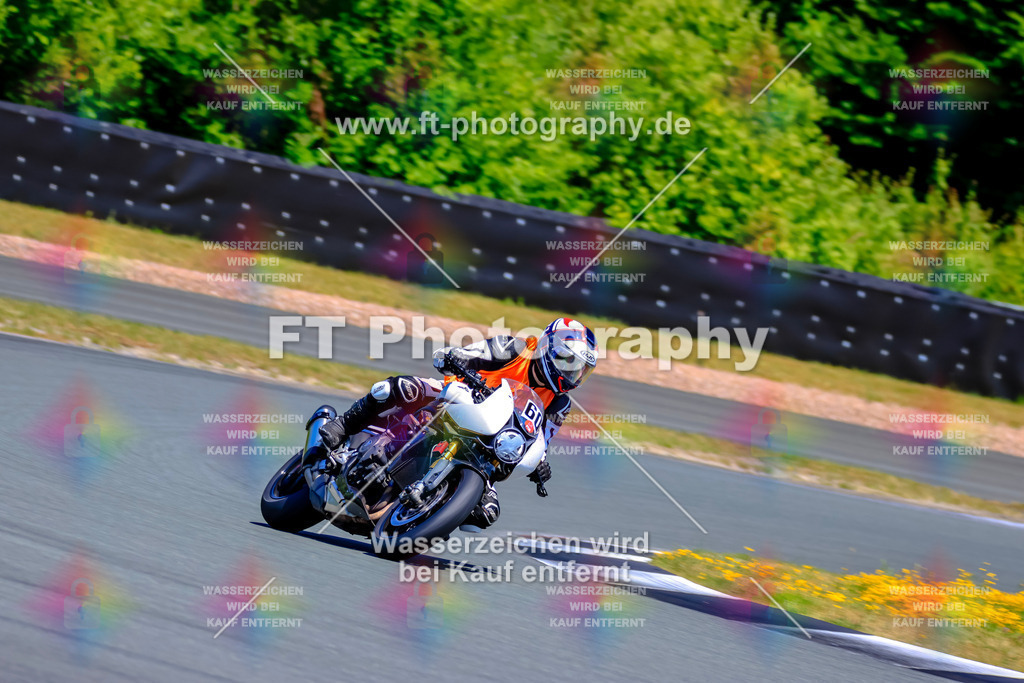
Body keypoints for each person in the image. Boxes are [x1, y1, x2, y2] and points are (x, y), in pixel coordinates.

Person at [318, 318, 598, 529]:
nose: (572, 374)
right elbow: (473, 352)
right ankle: (343, 425)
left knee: (487, 511)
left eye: (580, 370)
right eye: (569, 362)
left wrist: (540, 463)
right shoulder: (515, 349)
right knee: (398, 388)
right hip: (457, 400)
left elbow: (541, 440)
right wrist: (456, 357)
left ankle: (419, 512)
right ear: (550, 349)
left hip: (490, 444)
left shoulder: (560, 403)